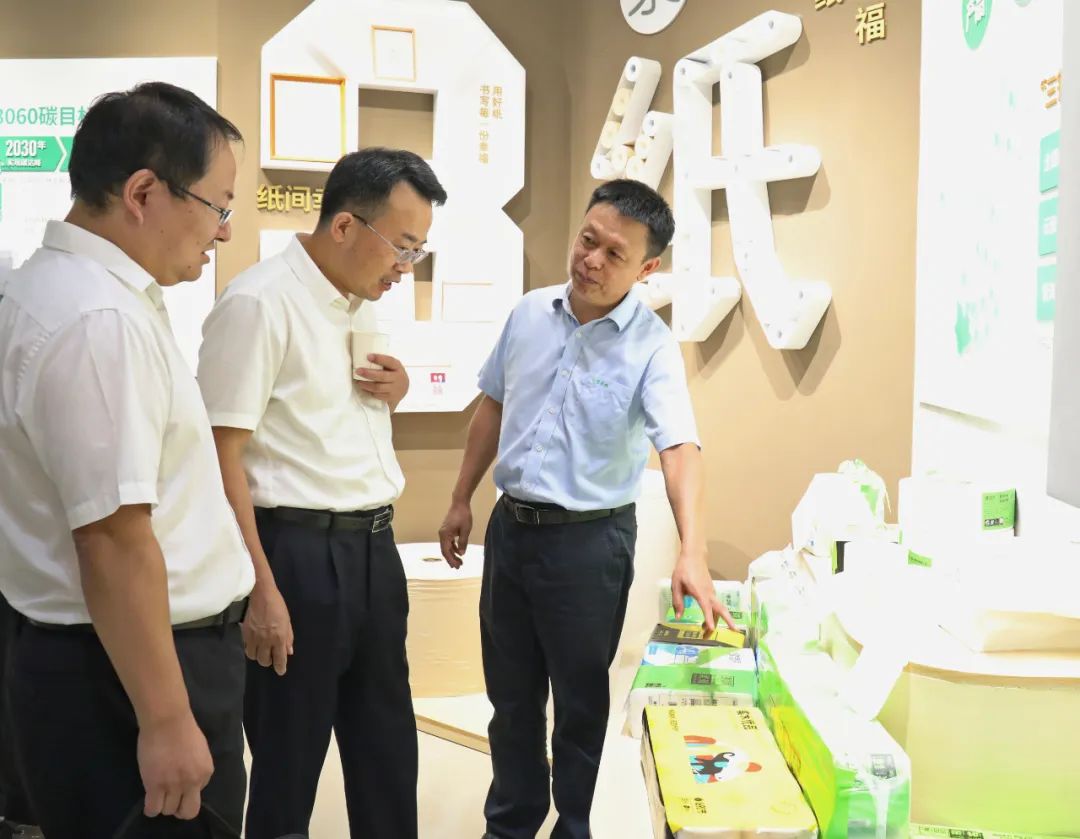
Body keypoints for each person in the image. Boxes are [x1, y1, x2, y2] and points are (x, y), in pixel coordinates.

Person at [438, 179, 737, 839]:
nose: (591, 260)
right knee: (510, 697)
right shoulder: (528, 314)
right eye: (587, 240)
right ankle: (510, 822)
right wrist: (461, 496)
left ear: (646, 269)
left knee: (578, 703)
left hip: (587, 546)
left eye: (614, 254)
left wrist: (693, 550)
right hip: (511, 529)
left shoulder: (650, 346)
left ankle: (573, 825)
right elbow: (492, 405)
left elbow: (679, 449)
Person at [0, 82, 254, 839]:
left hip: (100, 661)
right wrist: (168, 719)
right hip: (129, 673)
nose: (223, 232)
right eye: (217, 206)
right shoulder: (96, 320)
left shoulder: (52, 291)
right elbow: (111, 538)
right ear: (143, 193)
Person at [197, 147, 447, 839]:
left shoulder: (358, 302)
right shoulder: (258, 303)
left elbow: (329, 419)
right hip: (296, 557)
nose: (405, 266)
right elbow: (219, 455)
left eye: (418, 250)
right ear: (343, 226)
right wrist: (260, 587)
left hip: (374, 549)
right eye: (402, 246)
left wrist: (395, 391)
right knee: (288, 762)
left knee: (387, 753)